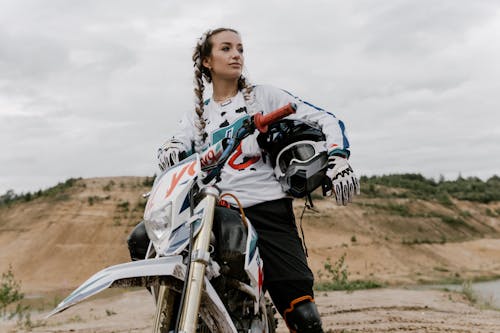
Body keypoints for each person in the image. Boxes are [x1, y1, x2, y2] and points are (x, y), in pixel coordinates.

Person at [128, 27, 359, 333]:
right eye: (226, 48)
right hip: (215, 213)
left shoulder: (265, 96)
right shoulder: (196, 117)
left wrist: (338, 158)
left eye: (240, 48)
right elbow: (171, 149)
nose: (236, 54)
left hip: (268, 209)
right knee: (142, 240)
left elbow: (326, 119)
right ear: (207, 61)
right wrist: (170, 149)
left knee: (304, 315)